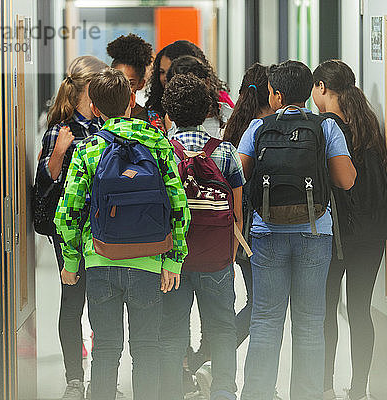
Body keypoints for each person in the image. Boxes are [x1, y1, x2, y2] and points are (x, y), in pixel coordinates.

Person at [54, 68, 191, 400]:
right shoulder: (157, 142)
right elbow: (178, 201)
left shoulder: (88, 149)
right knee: (146, 350)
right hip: (148, 263)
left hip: (100, 260)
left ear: (97, 108)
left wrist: (72, 261)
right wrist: (174, 259)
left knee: (105, 349)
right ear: (132, 101)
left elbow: (67, 211)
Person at [237, 60, 357, 400]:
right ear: (308, 92)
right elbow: (346, 181)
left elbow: (237, 175)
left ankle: (257, 394)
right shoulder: (325, 128)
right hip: (314, 233)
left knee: (265, 320)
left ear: (276, 95)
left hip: (266, 232)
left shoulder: (258, 128)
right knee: (309, 323)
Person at [158, 73, 244, 400]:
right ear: (208, 109)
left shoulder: (162, 150)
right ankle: (223, 390)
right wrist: (229, 256)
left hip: (172, 260)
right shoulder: (225, 152)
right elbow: (237, 212)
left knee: (171, 330)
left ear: (169, 111)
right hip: (216, 257)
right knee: (222, 328)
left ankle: (171, 391)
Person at [312, 60, 387, 400]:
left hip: (338, 235)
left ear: (321, 88)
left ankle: (326, 386)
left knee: (326, 310)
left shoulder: (326, 126)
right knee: (360, 310)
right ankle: (359, 389)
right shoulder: (367, 122)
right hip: (372, 232)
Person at [186, 62, 273, 377]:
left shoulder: (234, 127)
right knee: (259, 305)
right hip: (252, 230)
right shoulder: (266, 128)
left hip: (221, 232)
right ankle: (210, 361)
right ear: (273, 94)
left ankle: (202, 359)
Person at [35, 55, 107, 400]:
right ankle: (74, 378)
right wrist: (60, 152)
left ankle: (101, 378)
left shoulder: (106, 126)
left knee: (102, 302)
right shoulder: (59, 131)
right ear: (89, 89)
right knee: (73, 300)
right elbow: (46, 182)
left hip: (103, 228)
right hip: (68, 231)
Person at [145, 40, 232, 133]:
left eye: (174, 71)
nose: (166, 78)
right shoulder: (158, 114)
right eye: (162, 72)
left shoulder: (223, 111)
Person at [164, 55, 233, 139]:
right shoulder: (173, 116)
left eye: (197, 86)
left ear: (207, 82)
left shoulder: (227, 115)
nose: (191, 95)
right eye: (183, 89)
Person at [107, 33, 153, 120]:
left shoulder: (152, 120)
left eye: (130, 84)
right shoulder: (98, 117)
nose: (122, 88)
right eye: (117, 81)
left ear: (141, 84)